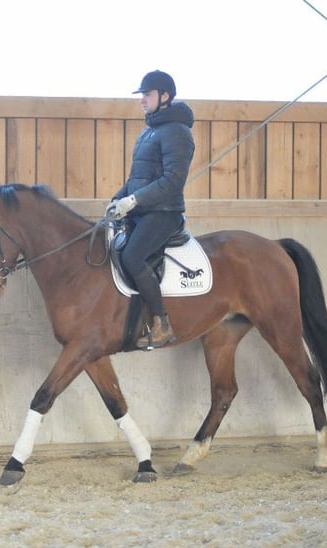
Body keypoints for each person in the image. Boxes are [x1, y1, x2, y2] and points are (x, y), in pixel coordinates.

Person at [107, 70, 195, 350]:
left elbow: (172, 182)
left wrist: (133, 201)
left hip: (164, 213)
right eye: (142, 95)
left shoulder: (178, 133)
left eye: (147, 94)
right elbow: (137, 178)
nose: (142, 100)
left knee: (132, 257)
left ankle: (161, 324)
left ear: (165, 96)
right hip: (143, 210)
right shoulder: (149, 132)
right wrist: (118, 198)